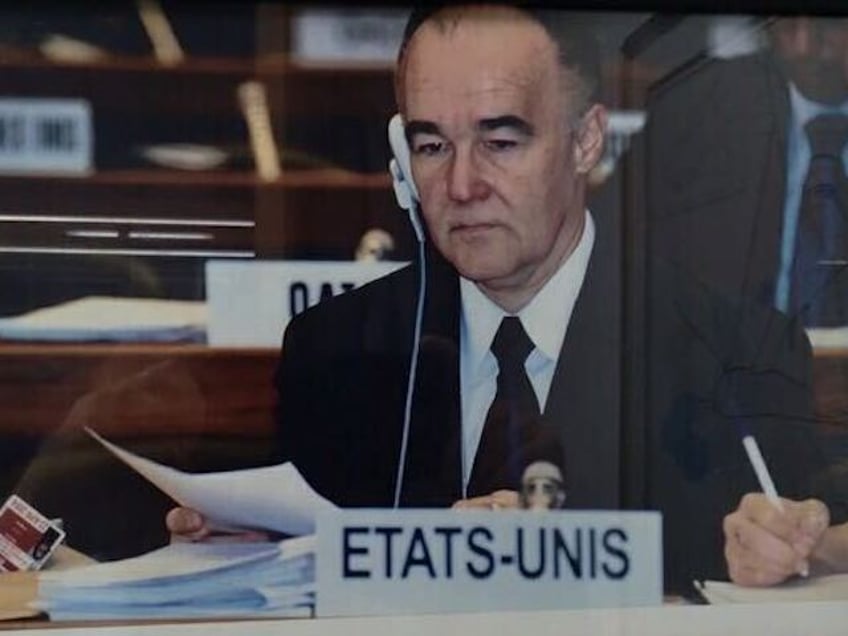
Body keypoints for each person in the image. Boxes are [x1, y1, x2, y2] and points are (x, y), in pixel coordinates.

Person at [169, 5, 824, 594]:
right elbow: (306, 570)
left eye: (500, 142)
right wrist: (244, 557)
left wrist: (795, 549)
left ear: (586, 141)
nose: (460, 184)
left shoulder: (737, 355)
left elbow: (796, 557)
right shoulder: (335, 351)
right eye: (431, 146)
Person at [647, 15, 848, 586]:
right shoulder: (693, 114)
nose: (810, 48)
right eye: (790, 26)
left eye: (833, 25)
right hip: (742, 433)